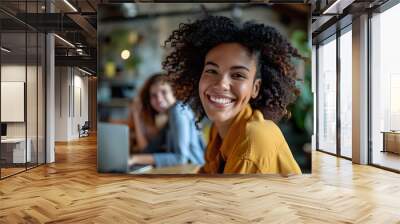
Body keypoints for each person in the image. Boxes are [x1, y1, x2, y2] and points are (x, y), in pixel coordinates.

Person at [162, 16, 302, 175]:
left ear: (255, 88)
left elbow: (226, 199)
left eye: (238, 75)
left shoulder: (252, 141)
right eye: (212, 71)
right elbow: (206, 178)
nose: (221, 83)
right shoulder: (219, 130)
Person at [129, 73, 205, 167]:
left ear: (174, 92)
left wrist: (134, 159)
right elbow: (147, 150)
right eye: (154, 95)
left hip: (196, 173)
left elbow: (181, 158)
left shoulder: (178, 111)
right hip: (186, 171)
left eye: (164, 92)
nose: (159, 99)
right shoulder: (170, 118)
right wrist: (136, 116)